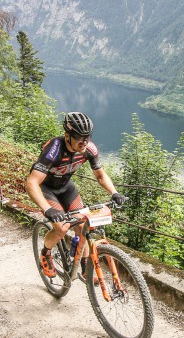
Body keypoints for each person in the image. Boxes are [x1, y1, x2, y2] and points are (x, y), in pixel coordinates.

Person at [26, 112, 126, 278]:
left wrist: (114, 192)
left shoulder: (89, 149)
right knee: (62, 228)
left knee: (83, 226)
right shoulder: (54, 149)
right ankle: (45, 253)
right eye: (80, 137)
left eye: (87, 137)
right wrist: (47, 209)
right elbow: (32, 183)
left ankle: (85, 266)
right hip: (46, 189)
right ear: (67, 136)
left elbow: (100, 176)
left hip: (66, 188)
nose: (84, 142)